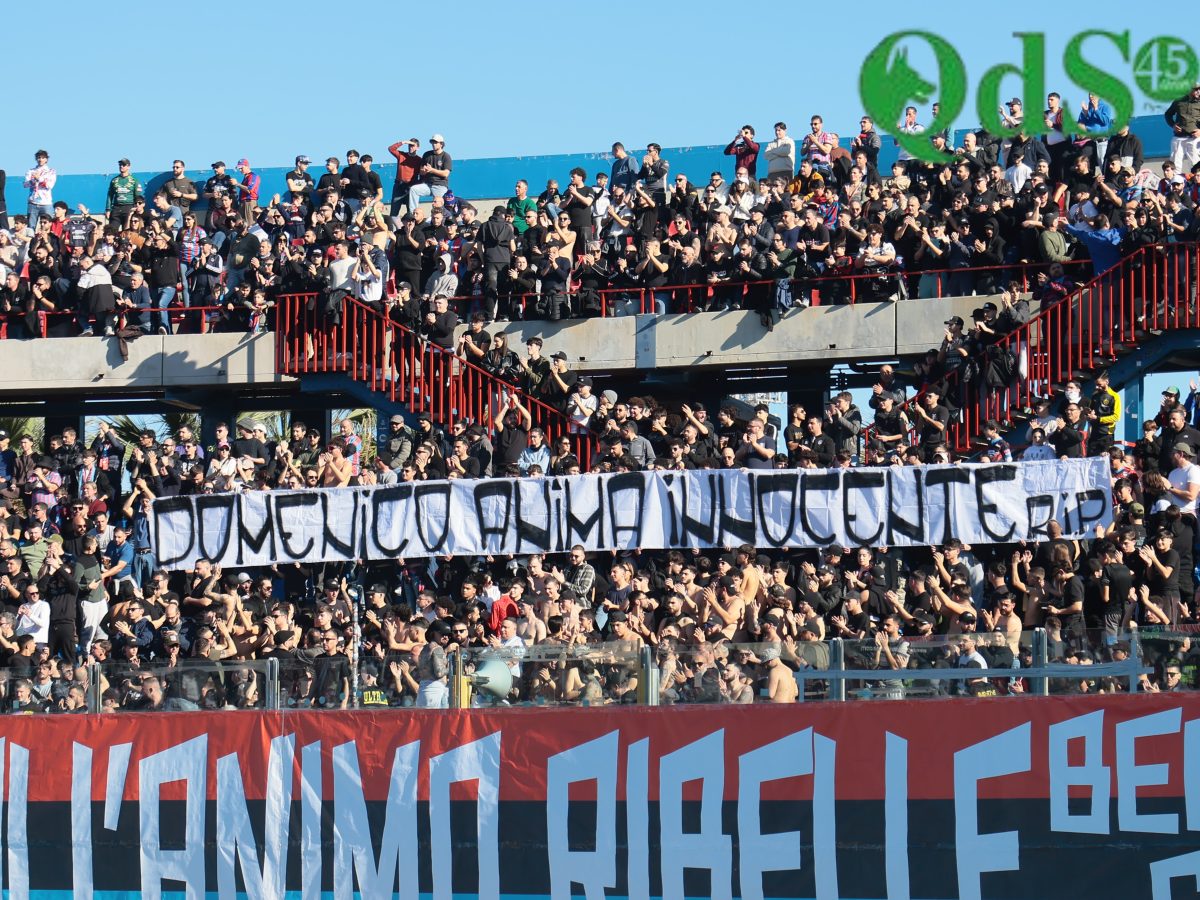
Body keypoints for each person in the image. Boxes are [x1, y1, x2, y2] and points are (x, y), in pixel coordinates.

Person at [408, 134, 452, 212]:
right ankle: (414, 214)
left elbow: (446, 173)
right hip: (427, 184)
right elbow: (421, 172)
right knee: (413, 189)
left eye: (435, 142)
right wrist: (424, 170)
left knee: (438, 207)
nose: (433, 144)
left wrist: (432, 170)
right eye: (432, 142)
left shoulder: (446, 156)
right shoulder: (427, 154)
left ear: (441, 144)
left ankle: (444, 219)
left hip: (440, 185)